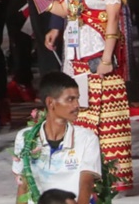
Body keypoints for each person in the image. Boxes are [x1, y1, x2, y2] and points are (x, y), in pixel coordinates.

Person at [21, 0, 133, 189]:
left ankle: (112, 180)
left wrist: (108, 58)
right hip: (75, 50)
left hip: (97, 52)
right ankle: (84, 177)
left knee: (105, 118)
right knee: (81, 116)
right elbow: (65, 8)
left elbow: (112, 18)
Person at [11, 72, 102, 204]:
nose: (77, 105)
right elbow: (23, 184)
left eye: (77, 99)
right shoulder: (24, 137)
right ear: (50, 102)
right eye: (70, 99)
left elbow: (86, 184)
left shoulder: (87, 138)